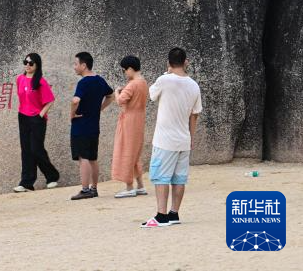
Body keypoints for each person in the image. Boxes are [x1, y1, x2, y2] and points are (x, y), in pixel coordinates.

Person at [142, 47, 203, 228]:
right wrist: (191, 137)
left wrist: (166, 72)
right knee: (179, 178)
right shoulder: (194, 85)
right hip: (183, 138)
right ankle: (174, 213)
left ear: (169, 63)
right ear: (186, 62)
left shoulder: (164, 80)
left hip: (164, 139)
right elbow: (195, 114)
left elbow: (151, 95)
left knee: (161, 177)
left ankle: (161, 215)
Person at [70, 52, 114, 200]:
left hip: (81, 125)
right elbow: (111, 95)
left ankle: (85, 189)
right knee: (93, 158)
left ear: (84, 65)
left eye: (76, 64)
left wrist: (72, 114)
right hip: (94, 126)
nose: (74, 67)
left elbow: (75, 101)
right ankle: (94, 188)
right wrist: (100, 108)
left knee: (83, 158)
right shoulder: (100, 80)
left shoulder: (83, 82)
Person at [14, 53, 60, 192]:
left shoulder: (40, 81)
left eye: (31, 63)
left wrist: (40, 114)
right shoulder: (20, 79)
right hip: (23, 116)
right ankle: (27, 182)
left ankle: (52, 176)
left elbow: (50, 100)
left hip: (37, 119)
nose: (27, 65)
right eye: (25, 62)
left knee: (36, 149)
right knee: (26, 150)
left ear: (37, 65)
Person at [112, 55, 149, 198]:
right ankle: (140, 185)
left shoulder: (133, 84)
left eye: (124, 70)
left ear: (130, 69)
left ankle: (129, 187)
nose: (124, 73)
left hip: (129, 120)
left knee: (126, 152)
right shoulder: (143, 82)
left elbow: (121, 101)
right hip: (139, 119)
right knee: (135, 153)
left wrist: (116, 92)